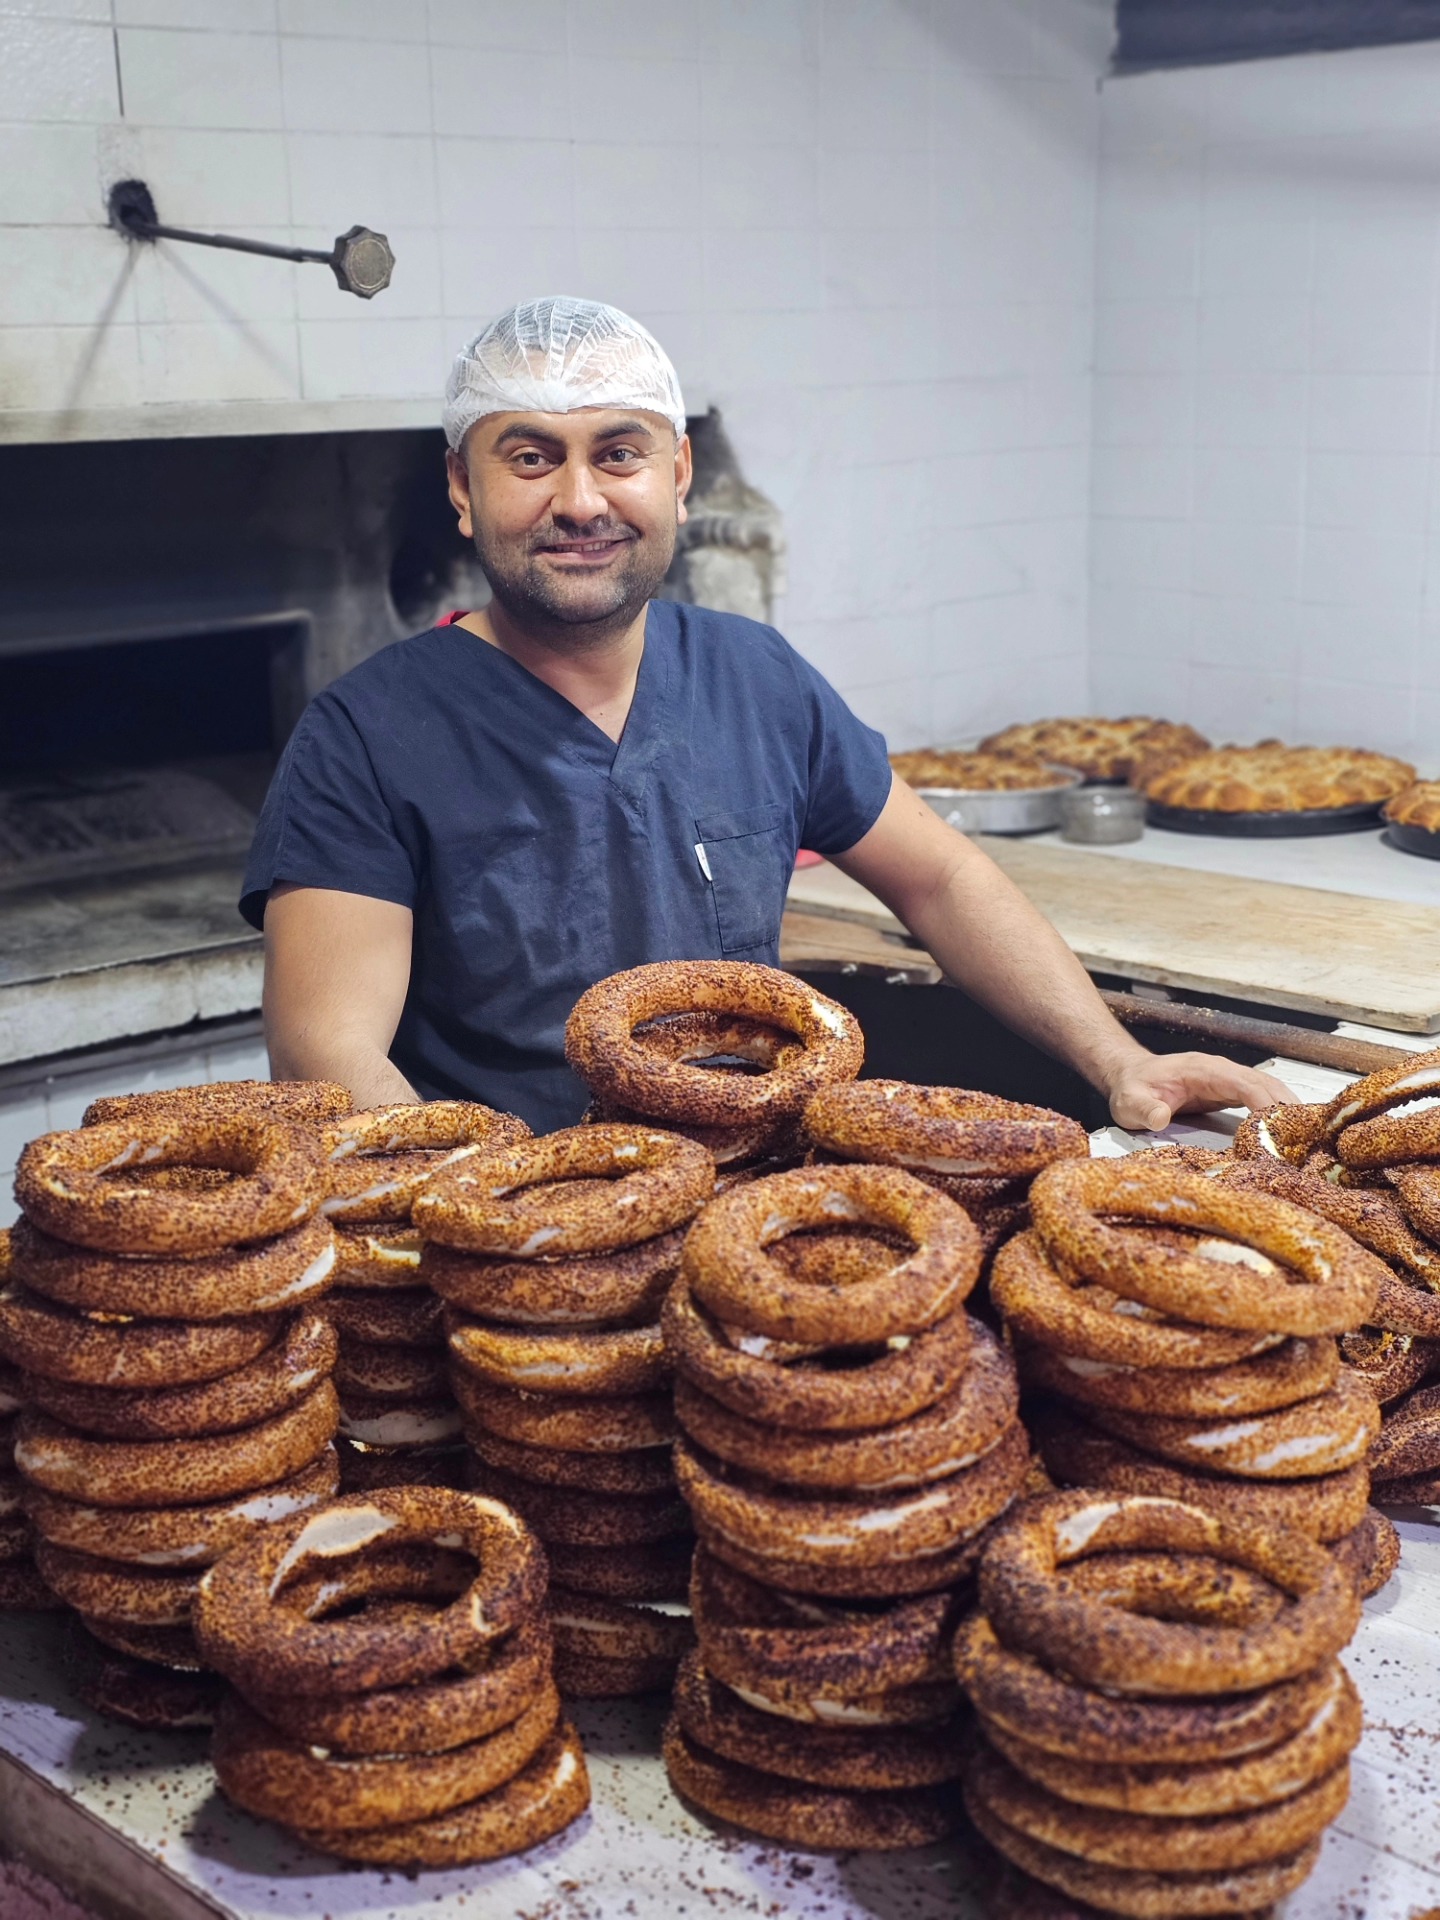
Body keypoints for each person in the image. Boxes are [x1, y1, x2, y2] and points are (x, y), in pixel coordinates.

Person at [242, 296, 1291, 1135]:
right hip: (515, 1252)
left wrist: (1121, 1059)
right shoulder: (367, 737)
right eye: (529, 458)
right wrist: (504, 1231)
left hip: (760, 1211)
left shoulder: (754, 677)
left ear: (679, 476)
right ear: (462, 492)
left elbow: (943, 876)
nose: (579, 500)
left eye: (619, 452)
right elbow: (325, 1055)